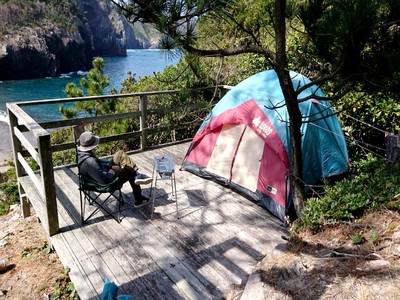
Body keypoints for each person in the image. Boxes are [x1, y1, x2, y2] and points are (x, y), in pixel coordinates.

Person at [77, 131, 153, 208]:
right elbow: (104, 181)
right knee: (129, 169)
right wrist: (111, 172)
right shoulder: (90, 162)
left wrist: (110, 167)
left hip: (100, 173)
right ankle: (139, 199)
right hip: (107, 182)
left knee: (120, 154)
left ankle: (137, 176)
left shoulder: (81, 154)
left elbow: (99, 164)